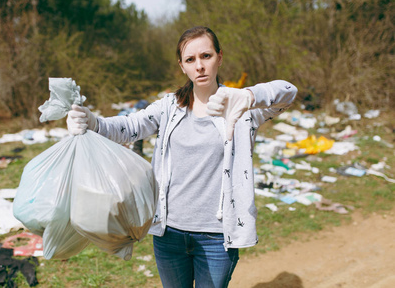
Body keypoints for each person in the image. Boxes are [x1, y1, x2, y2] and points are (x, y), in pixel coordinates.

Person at [66, 26, 297, 288]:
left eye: (206, 56)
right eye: (191, 60)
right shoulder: (169, 107)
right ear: (182, 66)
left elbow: (288, 92)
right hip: (169, 234)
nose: (199, 66)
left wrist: (249, 95)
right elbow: (129, 127)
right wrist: (92, 122)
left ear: (219, 58)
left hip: (216, 238)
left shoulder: (242, 109)